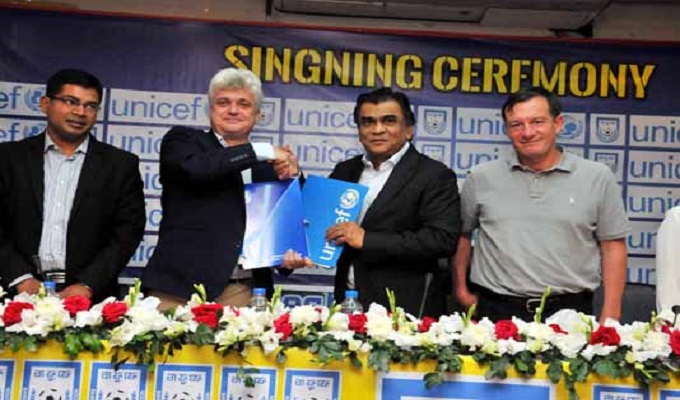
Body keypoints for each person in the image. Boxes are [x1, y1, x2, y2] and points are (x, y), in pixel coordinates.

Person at [453, 86, 630, 322]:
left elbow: (613, 246)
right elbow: (462, 235)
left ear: (558, 123)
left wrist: (611, 315)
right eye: (517, 125)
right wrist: (461, 291)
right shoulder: (481, 177)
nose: (528, 132)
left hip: (570, 312)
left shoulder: (597, 177)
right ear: (507, 130)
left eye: (537, 122)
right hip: (497, 311)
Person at [142, 68, 304, 310]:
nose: (233, 110)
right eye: (223, 102)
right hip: (178, 290)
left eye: (244, 104)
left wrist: (287, 257)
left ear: (258, 115)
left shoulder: (271, 167)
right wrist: (262, 150)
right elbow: (196, 169)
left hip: (244, 291)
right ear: (210, 109)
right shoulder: (183, 142)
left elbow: (291, 226)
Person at [0, 69, 146, 302]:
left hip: (90, 299)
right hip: (14, 292)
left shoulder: (120, 165)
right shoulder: (8, 158)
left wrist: (87, 284)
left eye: (90, 106)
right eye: (70, 101)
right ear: (45, 104)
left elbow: (128, 232)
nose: (80, 112)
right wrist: (21, 278)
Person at [325, 87, 461, 318]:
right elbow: (320, 219)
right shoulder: (345, 171)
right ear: (359, 131)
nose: (377, 129)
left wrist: (367, 239)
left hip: (405, 309)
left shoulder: (434, 175)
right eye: (368, 122)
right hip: (347, 304)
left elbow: (441, 240)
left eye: (389, 121)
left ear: (408, 129)